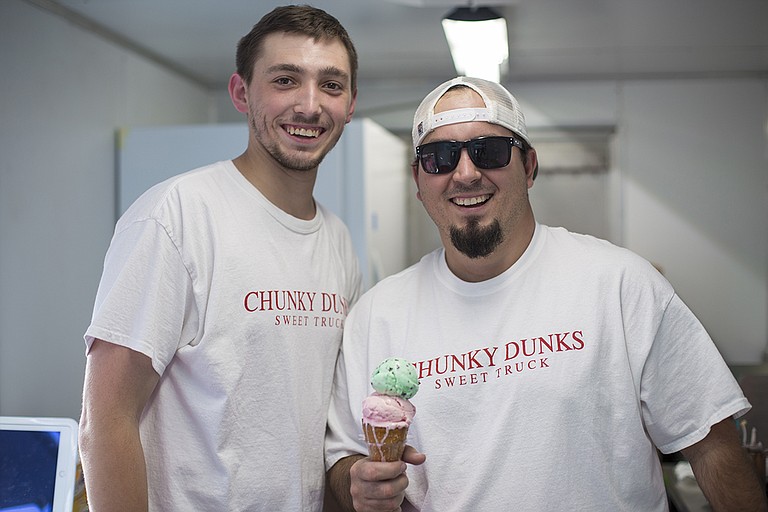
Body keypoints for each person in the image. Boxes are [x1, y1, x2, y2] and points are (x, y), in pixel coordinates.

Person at [325, 76, 768, 511]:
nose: (465, 173)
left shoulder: (620, 285)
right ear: (419, 182)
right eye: (439, 158)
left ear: (529, 167)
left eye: (489, 151)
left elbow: (712, 446)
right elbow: (342, 459)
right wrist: (358, 484)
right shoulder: (376, 316)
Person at [79, 5, 362, 511]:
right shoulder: (176, 216)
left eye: (332, 85)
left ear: (351, 104)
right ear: (241, 93)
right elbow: (105, 420)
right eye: (285, 80)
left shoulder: (338, 242)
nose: (309, 104)